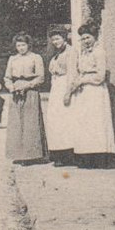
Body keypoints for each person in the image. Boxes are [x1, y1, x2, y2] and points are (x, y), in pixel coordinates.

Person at [64, 22, 115, 169]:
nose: (85, 41)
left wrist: (83, 80)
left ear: (95, 37)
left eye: (88, 38)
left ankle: (100, 158)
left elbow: (100, 76)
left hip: (96, 92)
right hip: (84, 93)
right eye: (83, 38)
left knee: (96, 123)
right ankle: (87, 158)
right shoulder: (83, 53)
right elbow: (80, 71)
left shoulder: (99, 52)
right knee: (85, 124)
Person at [4, 33, 48, 164]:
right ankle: (18, 154)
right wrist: (11, 87)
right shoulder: (13, 59)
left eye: (23, 45)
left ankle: (32, 155)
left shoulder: (36, 58)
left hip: (30, 92)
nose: (21, 48)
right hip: (16, 92)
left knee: (30, 122)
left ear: (28, 45)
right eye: (18, 45)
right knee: (16, 123)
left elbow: (41, 77)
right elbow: (7, 77)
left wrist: (27, 85)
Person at [46, 25, 76, 165]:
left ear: (64, 38)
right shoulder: (56, 54)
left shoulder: (71, 52)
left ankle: (67, 155)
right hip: (56, 88)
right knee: (55, 121)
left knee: (66, 121)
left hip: (65, 86)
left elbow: (72, 73)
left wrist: (68, 92)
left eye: (58, 39)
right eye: (53, 40)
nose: (55, 42)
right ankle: (57, 152)